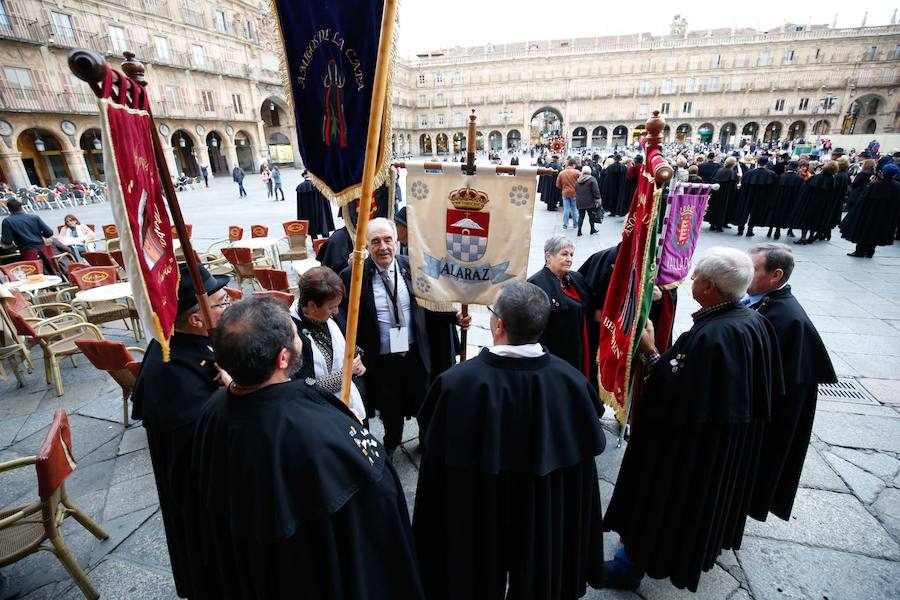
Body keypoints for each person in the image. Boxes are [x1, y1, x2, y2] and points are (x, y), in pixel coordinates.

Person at [189, 297, 426, 600]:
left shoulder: (213, 409)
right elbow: (375, 498)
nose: (300, 339)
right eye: (295, 336)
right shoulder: (316, 435)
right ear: (282, 359)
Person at [603, 247, 783, 592]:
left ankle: (630, 567)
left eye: (697, 275)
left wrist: (651, 351)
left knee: (656, 505)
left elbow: (675, 392)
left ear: (711, 287)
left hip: (686, 453)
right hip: (722, 448)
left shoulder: (710, 336)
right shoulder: (754, 322)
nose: (693, 279)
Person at [413, 281, 606, 600]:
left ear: (498, 324)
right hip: (545, 517)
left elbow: (436, 478)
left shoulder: (454, 385)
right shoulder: (572, 382)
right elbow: (579, 483)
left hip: (474, 520)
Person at [130, 264, 232, 599]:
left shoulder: (194, 343)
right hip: (200, 496)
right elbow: (199, 436)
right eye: (220, 302)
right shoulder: (170, 367)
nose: (228, 303)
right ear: (196, 320)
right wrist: (228, 394)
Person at [339, 218, 465, 455]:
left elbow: (434, 303)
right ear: (366, 245)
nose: (383, 247)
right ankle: (391, 441)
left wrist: (455, 317)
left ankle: (426, 441)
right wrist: (355, 352)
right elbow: (345, 320)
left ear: (397, 241)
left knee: (424, 403)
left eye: (388, 240)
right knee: (389, 407)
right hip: (382, 359)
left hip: (416, 353)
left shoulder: (414, 268)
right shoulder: (353, 277)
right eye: (375, 242)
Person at [744, 244, 836, 521]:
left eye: (753, 270)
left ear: (776, 275)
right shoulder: (765, 301)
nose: (745, 275)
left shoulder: (787, 319)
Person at [290, 266, 366, 420]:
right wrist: (344, 375)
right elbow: (303, 385)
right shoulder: (291, 332)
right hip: (319, 413)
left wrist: (357, 359)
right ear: (311, 306)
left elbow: (348, 342)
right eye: (331, 307)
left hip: (350, 401)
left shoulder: (332, 316)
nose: (336, 311)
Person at [528, 235, 591, 380]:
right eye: (564, 254)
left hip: (580, 349)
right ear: (549, 256)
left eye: (571, 255)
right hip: (555, 356)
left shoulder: (576, 279)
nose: (569, 259)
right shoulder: (536, 284)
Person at [840, 162, 900, 257]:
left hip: (870, 214)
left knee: (865, 231)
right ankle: (870, 251)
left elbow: (864, 199)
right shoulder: (897, 186)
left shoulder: (875, 185)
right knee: (877, 232)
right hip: (887, 215)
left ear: (883, 172)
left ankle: (860, 251)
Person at [0, 198, 54, 272]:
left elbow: (7, 241)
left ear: (9, 209)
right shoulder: (34, 217)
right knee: (51, 270)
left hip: (27, 250)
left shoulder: (8, 221)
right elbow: (49, 233)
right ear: (21, 206)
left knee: (34, 272)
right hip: (42, 248)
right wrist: (38, 234)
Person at [791, 160, 837, 244]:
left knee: (806, 219)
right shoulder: (832, 180)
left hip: (810, 202)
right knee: (816, 220)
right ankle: (811, 237)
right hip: (822, 205)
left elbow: (806, 188)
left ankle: (803, 237)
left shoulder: (816, 177)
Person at [732, 155, 778, 237]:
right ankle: (750, 229)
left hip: (747, 195)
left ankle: (740, 229)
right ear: (766, 163)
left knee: (744, 210)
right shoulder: (771, 174)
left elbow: (743, 184)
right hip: (761, 197)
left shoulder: (749, 173)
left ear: (757, 162)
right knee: (755, 212)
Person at [764, 161, 804, 240]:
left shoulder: (780, 176)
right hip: (792, 201)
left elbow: (774, 188)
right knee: (789, 215)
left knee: (776, 215)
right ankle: (790, 230)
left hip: (779, 199)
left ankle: (772, 230)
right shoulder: (800, 179)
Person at [296, 170, 336, 239]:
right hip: (321, 212)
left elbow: (300, 208)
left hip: (309, 214)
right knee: (324, 226)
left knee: (312, 230)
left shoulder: (300, 187)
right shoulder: (321, 185)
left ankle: (315, 244)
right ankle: (326, 242)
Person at [705, 156, 738, 232]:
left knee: (714, 207)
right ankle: (720, 224)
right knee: (723, 209)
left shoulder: (719, 170)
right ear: (733, 164)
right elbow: (733, 186)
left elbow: (713, 180)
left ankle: (713, 224)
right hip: (726, 195)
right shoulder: (732, 173)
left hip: (716, 193)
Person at [575, 165, 601, 236]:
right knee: (591, 216)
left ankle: (579, 231)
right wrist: (598, 198)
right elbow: (596, 190)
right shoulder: (592, 179)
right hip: (590, 201)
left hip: (580, 201)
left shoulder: (578, 180)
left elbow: (576, 189)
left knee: (581, 216)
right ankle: (592, 229)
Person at [556, 158, 580, 230]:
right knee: (574, 209)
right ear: (574, 165)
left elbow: (557, 184)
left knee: (566, 210)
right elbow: (581, 182)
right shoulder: (577, 172)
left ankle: (565, 226)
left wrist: (563, 188)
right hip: (575, 193)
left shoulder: (562, 173)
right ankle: (575, 226)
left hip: (565, 193)